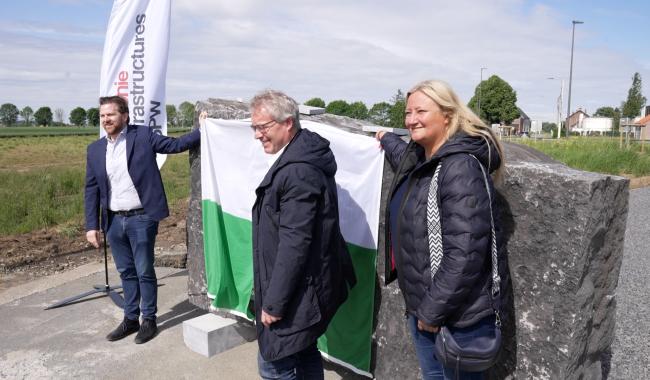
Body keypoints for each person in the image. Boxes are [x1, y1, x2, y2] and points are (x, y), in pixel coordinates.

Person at [376, 80, 506, 380]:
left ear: (447, 114)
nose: (411, 120)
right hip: (428, 308)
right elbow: (406, 161)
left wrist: (431, 311)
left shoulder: (459, 167)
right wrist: (385, 138)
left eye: (421, 111)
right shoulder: (426, 158)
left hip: (457, 317)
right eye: (407, 113)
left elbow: (466, 254)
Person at [250, 90, 356, 379]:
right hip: (303, 288)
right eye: (254, 127)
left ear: (287, 123)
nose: (257, 135)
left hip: (296, 294)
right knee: (304, 351)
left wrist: (274, 304)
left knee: (274, 364)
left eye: (263, 127)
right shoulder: (300, 157)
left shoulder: (297, 171)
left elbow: (295, 244)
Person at [84, 95, 200, 344]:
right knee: (126, 271)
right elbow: (91, 189)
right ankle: (130, 319)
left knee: (144, 269)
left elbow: (174, 145)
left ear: (124, 116)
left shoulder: (143, 136)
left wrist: (203, 130)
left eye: (111, 114)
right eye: (102, 116)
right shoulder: (95, 150)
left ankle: (149, 320)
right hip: (113, 221)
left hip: (141, 217)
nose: (106, 119)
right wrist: (92, 225)